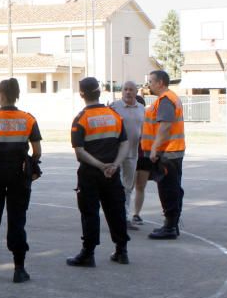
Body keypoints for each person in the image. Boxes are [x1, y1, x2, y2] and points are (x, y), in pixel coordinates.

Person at [0, 78, 42, 283]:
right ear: (17, 95)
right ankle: (19, 269)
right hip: (18, 175)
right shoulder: (28, 119)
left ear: (0, 96)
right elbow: (37, 151)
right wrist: (29, 163)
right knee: (17, 220)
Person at [66, 77, 131, 267]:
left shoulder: (81, 119)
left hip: (90, 174)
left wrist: (101, 166)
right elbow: (125, 143)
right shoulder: (114, 116)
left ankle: (88, 253)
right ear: (99, 92)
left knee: (90, 213)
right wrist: (114, 165)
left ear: (81, 94)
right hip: (112, 173)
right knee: (116, 210)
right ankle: (122, 250)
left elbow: (79, 151)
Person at [142, 70, 186, 240]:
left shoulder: (166, 100)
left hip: (168, 152)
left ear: (160, 83)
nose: (149, 84)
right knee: (173, 188)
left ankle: (169, 226)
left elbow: (165, 127)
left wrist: (155, 148)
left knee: (168, 189)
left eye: (151, 81)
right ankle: (172, 225)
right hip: (172, 150)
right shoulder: (169, 98)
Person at [110, 81, 146, 229]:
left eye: (131, 90)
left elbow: (144, 130)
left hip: (132, 154)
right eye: (125, 89)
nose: (128, 92)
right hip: (115, 155)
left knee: (128, 187)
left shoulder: (142, 109)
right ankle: (114, 216)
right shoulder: (114, 107)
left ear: (136, 92)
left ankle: (124, 218)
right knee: (113, 187)